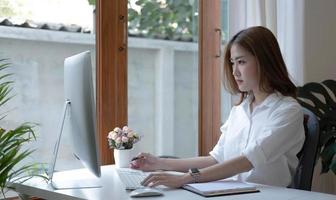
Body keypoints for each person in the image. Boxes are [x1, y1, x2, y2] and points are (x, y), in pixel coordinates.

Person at [130, 26, 305, 188]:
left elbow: (248, 160)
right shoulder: (240, 110)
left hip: (266, 195)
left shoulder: (287, 111)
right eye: (232, 62)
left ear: (264, 61)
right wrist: (160, 163)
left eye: (241, 62)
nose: (235, 72)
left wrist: (186, 178)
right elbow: (216, 159)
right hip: (228, 192)